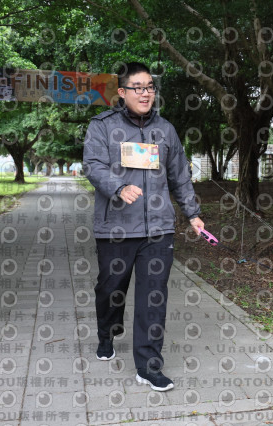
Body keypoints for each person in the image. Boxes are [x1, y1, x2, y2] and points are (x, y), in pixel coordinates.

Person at [83, 62, 204, 392]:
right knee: (111, 290)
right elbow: (92, 165)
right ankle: (107, 332)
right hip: (116, 228)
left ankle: (149, 366)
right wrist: (119, 187)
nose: (145, 93)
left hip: (158, 230)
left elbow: (179, 175)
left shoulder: (165, 130)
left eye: (150, 87)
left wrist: (192, 214)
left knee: (154, 297)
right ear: (122, 92)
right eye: (138, 87)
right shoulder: (102, 126)